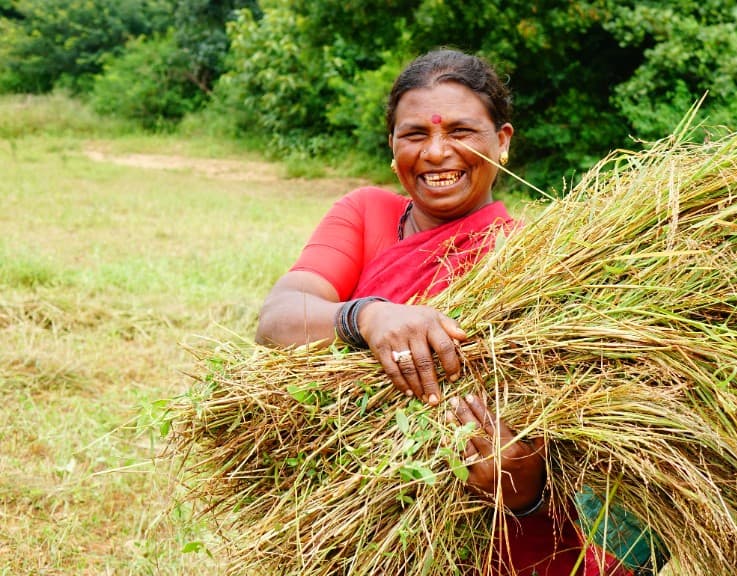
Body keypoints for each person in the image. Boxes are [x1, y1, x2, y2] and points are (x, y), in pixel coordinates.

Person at [256, 48, 640, 575]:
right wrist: (368, 317)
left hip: (494, 537)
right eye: (415, 134)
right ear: (392, 147)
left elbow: (582, 461)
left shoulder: (538, 267)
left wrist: (521, 482)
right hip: (350, 515)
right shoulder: (366, 213)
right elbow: (277, 319)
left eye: (461, 131)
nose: (437, 152)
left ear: (502, 142)